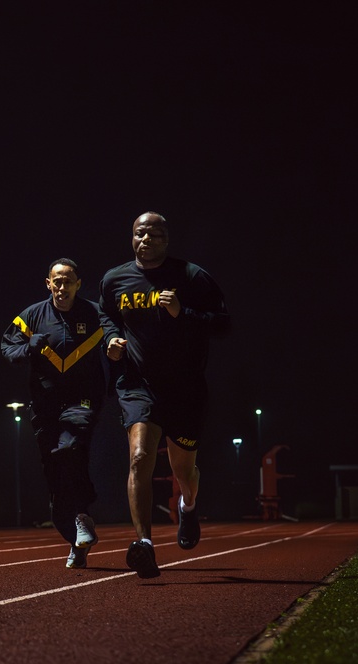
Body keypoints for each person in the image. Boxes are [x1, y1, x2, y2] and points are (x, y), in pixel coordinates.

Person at [99, 212, 230, 579]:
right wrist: (110, 340)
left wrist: (181, 312)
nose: (147, 240)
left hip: (185, 389)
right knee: (140, 457)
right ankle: (145, 545)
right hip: (137, 384)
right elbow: (106, 317)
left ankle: (188, 507)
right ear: (132, 237)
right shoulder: (114, 279)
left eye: (155, 235)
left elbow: (223, 324)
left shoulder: (192, 276)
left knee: (182, 471)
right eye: (141, 234)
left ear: (166, 240)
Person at [2, 258, 107, 569]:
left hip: (82, 400)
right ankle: (77, 537)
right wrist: (28, 348)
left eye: (68, 281)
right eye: (56, 281)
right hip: (45, 404)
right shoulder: (32, 315)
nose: (62, 287)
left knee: (70, 448)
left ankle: (83, 516)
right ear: (48, 283)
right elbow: (7, 348)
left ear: (78, 284)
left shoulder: (94, 314)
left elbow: (120, 340)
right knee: (53, 470)